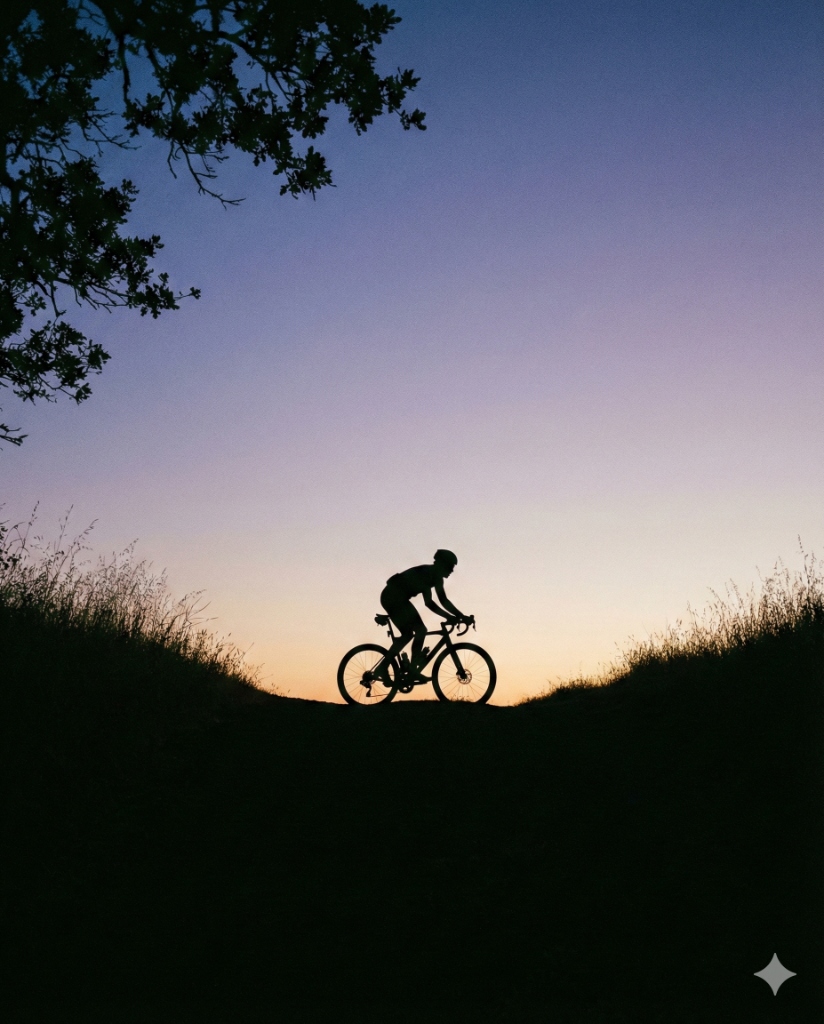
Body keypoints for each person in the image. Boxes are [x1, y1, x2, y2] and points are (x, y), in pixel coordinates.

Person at [373, 549, 471, 685]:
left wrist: (460, 616)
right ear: (442, 564)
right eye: (450, 567)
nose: (452, 571)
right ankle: (401, 669)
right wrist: (451, 617)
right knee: (417, 631)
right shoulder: (427, 573)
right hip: (393, 597)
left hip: (398, 597)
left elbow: (443, 601)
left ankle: (396, 668)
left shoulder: (436, 578)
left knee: (412, 633)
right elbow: (429, 603)